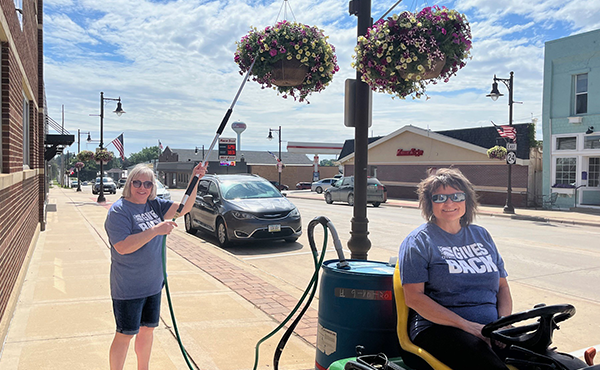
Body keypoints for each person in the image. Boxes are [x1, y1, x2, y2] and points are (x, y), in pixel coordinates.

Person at [398, 168, 513, 370]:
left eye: (456, 196)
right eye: (440, 197)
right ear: (429, 203)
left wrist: (503, 322)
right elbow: (413, 297)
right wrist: (470, 328)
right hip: (438, 328)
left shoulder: (482, 236)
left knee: (545, 359)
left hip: (490, 330)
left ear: (466, 201)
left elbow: (502, 287)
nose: (449, 203)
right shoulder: (418, 242)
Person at [105, 162, 207, 370]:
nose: (142, 188)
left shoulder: (155, 205)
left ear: (153, 187)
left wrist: (194, 180)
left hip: (153, 284)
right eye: (137, 183)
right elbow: (122, 247)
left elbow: (184, 208)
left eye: (148, 184)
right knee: (125, 334)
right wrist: (154, 230)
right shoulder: (119, 211)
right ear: (129, 184)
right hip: (128, 287)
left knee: (147, 331)